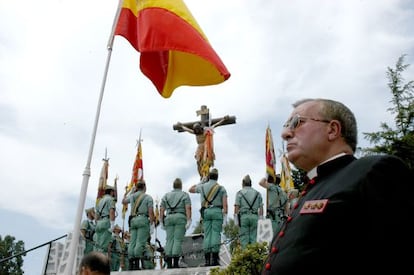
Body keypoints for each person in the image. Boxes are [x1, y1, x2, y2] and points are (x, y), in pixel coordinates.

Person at [262, 98, 414, 274]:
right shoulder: (312, 188)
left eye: (297, 122)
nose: (286, 133)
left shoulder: (375, 171)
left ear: (333, 130)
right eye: (286, 125)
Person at [189, 167, 228, 266]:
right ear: (217, 177)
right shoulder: (221, 188)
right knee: (216, 234)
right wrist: (225, 216)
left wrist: (201, 182)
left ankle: (207, 260)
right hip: (217, 211)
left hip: (206, 212)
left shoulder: (202, 186)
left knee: (207, 235)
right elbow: (225, 205)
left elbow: (191, 189)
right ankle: (214, 260)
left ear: (209, 176)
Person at [122, 180, 155, 270]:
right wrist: (152, 224)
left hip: (133, 220)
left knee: (132, 242)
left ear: (136, 188)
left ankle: (131, 262)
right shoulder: (148, 198)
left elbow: (123, 201)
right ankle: (136, 263)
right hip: (143, 220)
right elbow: (151, 212)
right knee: (140, 242)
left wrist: (131, 192)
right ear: (144, 187)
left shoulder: (132, 196)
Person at [160, 177, 192, 268]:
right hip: (180, 217)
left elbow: (162, 209)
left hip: (169, 218)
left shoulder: (166, 195)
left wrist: (161, 221)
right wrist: (189, 220)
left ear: (173, 186)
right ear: (181, 186)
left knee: (169, 239)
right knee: (177, 239)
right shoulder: (184, 195)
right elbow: (188, 208)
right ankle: (175, 262)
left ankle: (169, 262)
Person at [234, 174, 264, 249]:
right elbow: (261, 208)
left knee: (244, 240)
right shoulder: (258, 193)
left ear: (243, 183)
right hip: (255, 217)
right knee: (254, 239)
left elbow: (236, 207)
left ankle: (246, 258)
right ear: (251, 183)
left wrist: (236, 220)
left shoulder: (239, 193)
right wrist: (260, 218)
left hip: (244, 218)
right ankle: (253, 258)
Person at [94, 185, 116, 254]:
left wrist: (97, 223)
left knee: (97, 245)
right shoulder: (111, 199)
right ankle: (99, 263)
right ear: (111, 192)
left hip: (99, 222)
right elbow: (111, 211)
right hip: (106, 222)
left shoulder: (100, 201)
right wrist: (112, 224)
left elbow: (96, 215)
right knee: (103, 246)